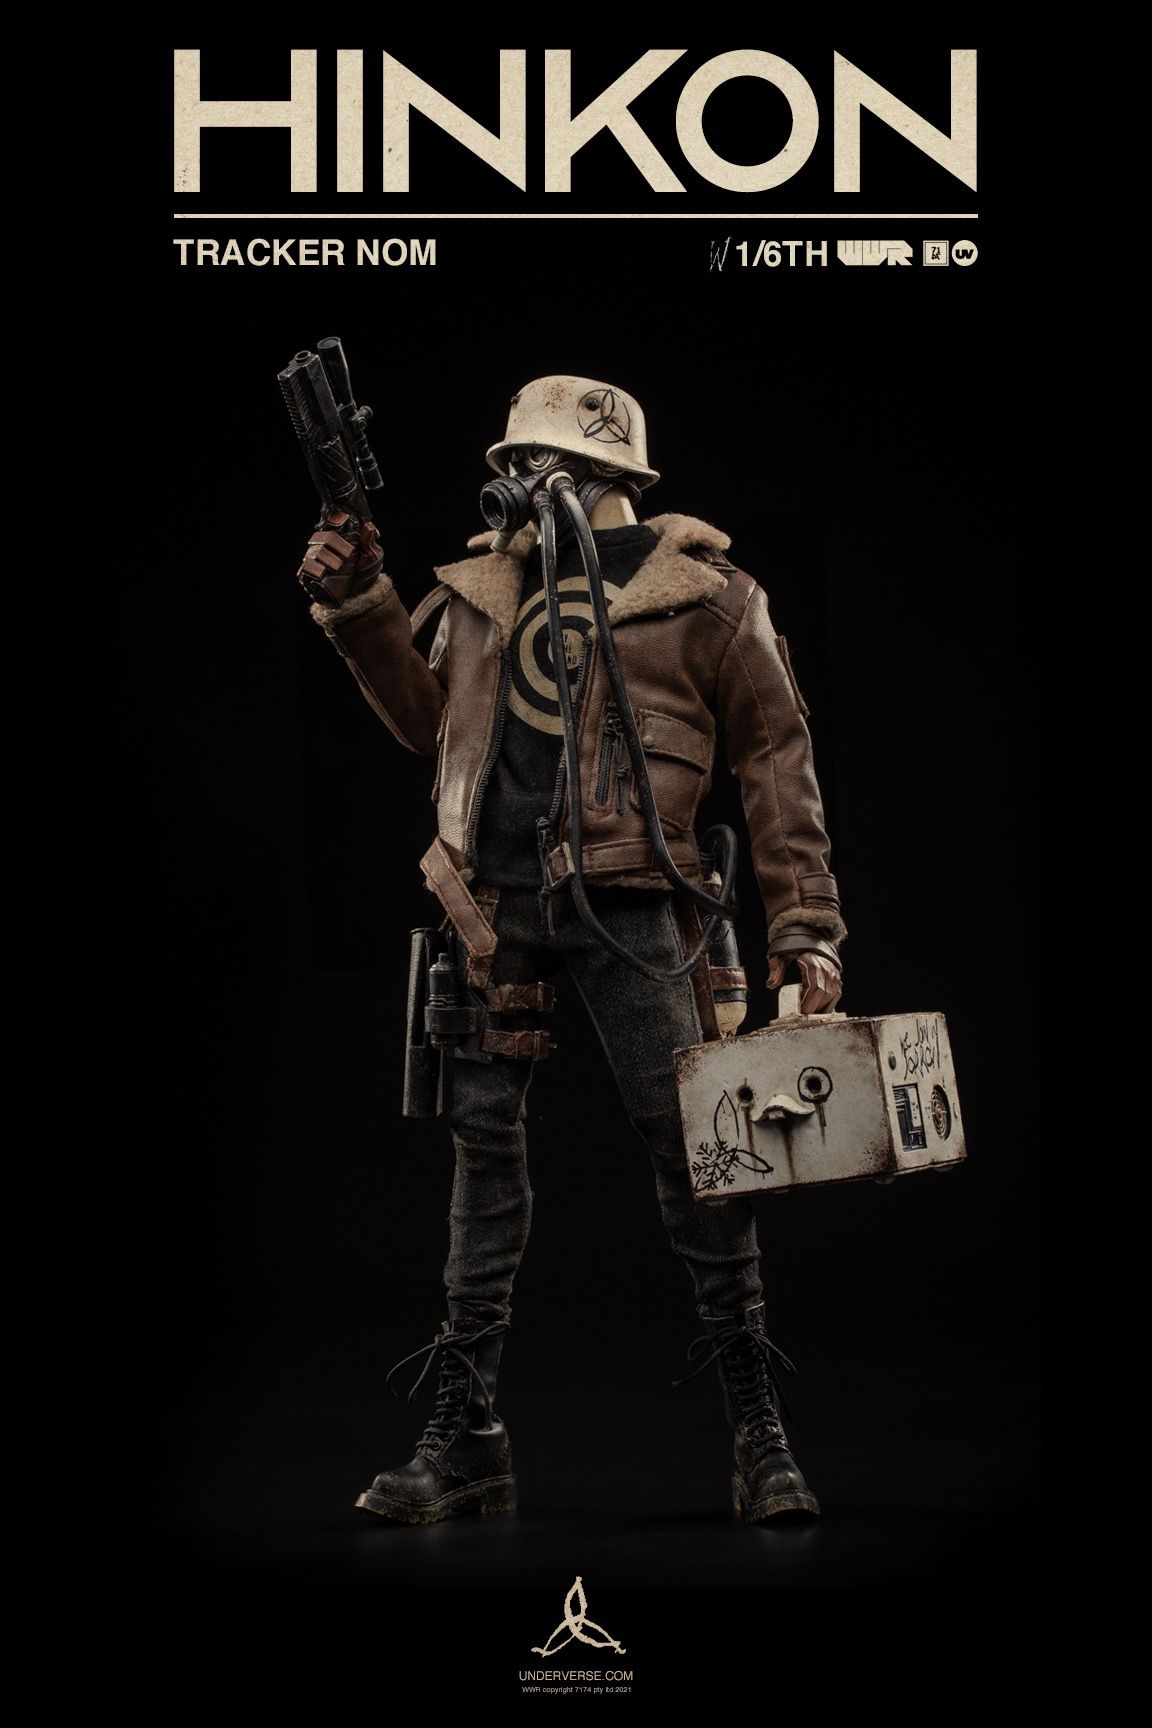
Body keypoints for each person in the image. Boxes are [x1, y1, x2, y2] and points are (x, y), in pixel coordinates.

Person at [298, 375, 845, 1526]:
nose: (529, 488)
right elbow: (426, 722)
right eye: (520, 469)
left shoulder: (707, 597)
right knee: (483, 1162)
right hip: (491, 908)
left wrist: (805, 928)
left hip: (636, 907)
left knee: (701, 1152)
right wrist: (360, 603)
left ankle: (759, 1431)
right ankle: (466, 1438)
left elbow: (776, 761)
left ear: (612, 480)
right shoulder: (483, 593)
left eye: (551, 469)